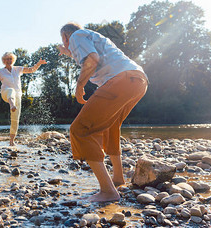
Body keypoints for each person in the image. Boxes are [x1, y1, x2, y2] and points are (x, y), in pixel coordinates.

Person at [58, 22, 148, 202]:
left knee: (80, 130)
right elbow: (82, 55)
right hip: (138, 80)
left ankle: (108, 192)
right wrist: (66, 52)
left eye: (63, 40)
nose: (67, 44)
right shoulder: (91, 37)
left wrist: (79, 85)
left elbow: (91, 59)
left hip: (120, 80)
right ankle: (117, 179)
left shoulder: (76, 36)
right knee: (110, 125)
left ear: (66, 36)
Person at [0, 52, 47, 146]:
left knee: (15, 119)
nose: (8, 61)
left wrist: (39, 63)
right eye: (6, 59)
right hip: (6, 93)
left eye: (10, 59)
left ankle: (11, 141)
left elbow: (31, 70)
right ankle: (12, 104)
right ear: (4, 61)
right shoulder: (1, 72)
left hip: (18, 96)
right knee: (11, 91)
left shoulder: (18, 69)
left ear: (13, 60)